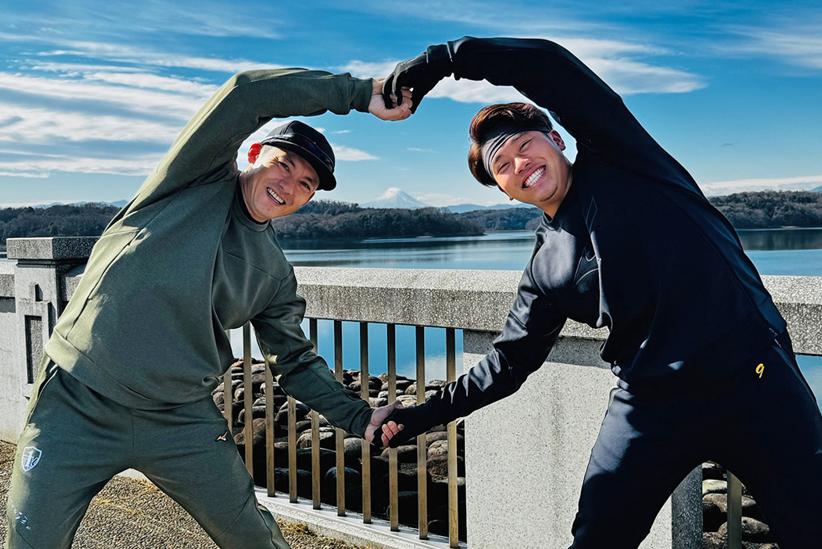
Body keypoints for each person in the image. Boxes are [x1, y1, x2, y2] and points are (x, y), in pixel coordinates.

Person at [377, 37, 822, 548]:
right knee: (596, 539)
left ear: (557, 139)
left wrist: (445, 60)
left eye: (525, 145)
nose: (520, 164)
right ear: (502, 190)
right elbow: (509, 361)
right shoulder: (547, 267)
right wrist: (419, 416)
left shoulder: (625, 159)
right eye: (503, 165)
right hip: (650, 404)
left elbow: (551, 67)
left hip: (754, 379)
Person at [5, 68, 412, 548]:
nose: (289, 186)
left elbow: (295, 361)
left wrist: (358, 417)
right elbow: (245, 93)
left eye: (305, 184)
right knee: (31, 539)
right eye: (284, 165)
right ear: (254, 155)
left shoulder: (274, 274)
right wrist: (362, 93)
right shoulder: (189, 180)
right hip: (77, 400)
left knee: (254, 540)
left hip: (179, 419)